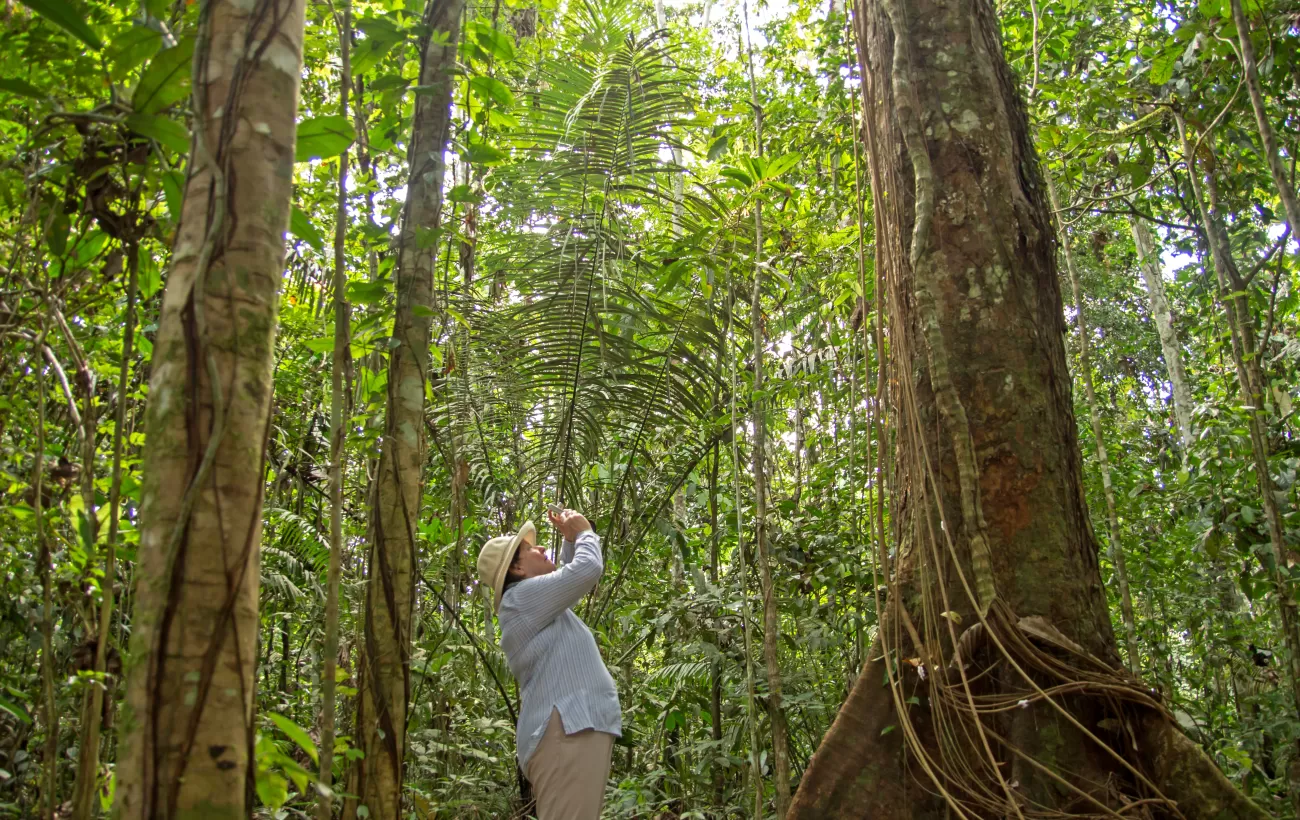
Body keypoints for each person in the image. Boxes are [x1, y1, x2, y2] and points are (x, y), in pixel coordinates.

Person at [476, 508, 621, 819]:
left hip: (574, 727)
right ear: (516, 567)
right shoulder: (520, 601)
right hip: (566, 728)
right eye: (531, 549)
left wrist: (571, 541)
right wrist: (583, 532)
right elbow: (585, 570)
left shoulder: (533, 604)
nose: (542, 549)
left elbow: (567, 578)